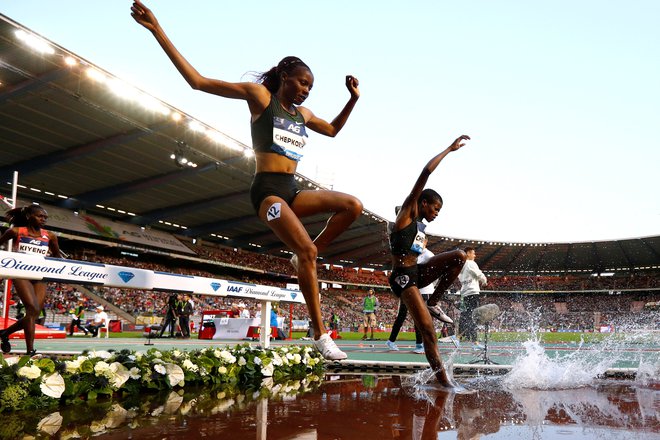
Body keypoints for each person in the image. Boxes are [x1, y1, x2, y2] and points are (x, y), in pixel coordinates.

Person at [131, 1, 362, 360]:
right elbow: (198, 82)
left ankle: (305, 257)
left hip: (293, 190)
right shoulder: (260, 97)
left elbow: (331, 130)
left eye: (311, 87)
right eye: (302, 83)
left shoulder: (303, 114)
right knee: (308, 252)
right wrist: (157, 30)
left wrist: (352, 100)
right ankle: (319, 335)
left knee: (352, 206)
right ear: (285, 76)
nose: (305, 91)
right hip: (267, 192)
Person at [388, 135, 470, 387]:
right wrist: (449, 149)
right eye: (434, 209)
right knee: (428, 332)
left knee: (459, 256)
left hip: (417, 272)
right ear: (422, 203)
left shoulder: (420, 227)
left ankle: (434, 302)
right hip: (402, 278)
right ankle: (443, 382)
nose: (436, 214)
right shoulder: (406, 214)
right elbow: (425, 173)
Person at [0, 205, 62, 355]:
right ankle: (30, 351)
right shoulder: (15, 232)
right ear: (29, 216)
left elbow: (57, 257)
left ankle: (4, 333)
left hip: (40, 275)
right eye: (40, 216)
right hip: (21, 274)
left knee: (34, 314)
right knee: (32, 309)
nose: (43, 220)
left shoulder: (50, 236)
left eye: (45, 218)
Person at [387, 245, 453, 353]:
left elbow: (435, 273)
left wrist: (429, 285)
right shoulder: (410, 254)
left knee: (420, 317)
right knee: (402, 316)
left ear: (425, 242)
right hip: (409, 289)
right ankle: (393, 341)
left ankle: (420, 344)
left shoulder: (429, 255)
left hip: (423, 291)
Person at [458, 247, 487, 346]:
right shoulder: (471, 263)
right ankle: (474, 341)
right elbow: (479, 274)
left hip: (465, 293)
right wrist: (484, 280)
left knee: (466, 315)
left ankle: (460, 336)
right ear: (468, 254)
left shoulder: (461, 265)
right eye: (473, 253)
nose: (474, 256)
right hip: (472, 292)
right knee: (473, 316)